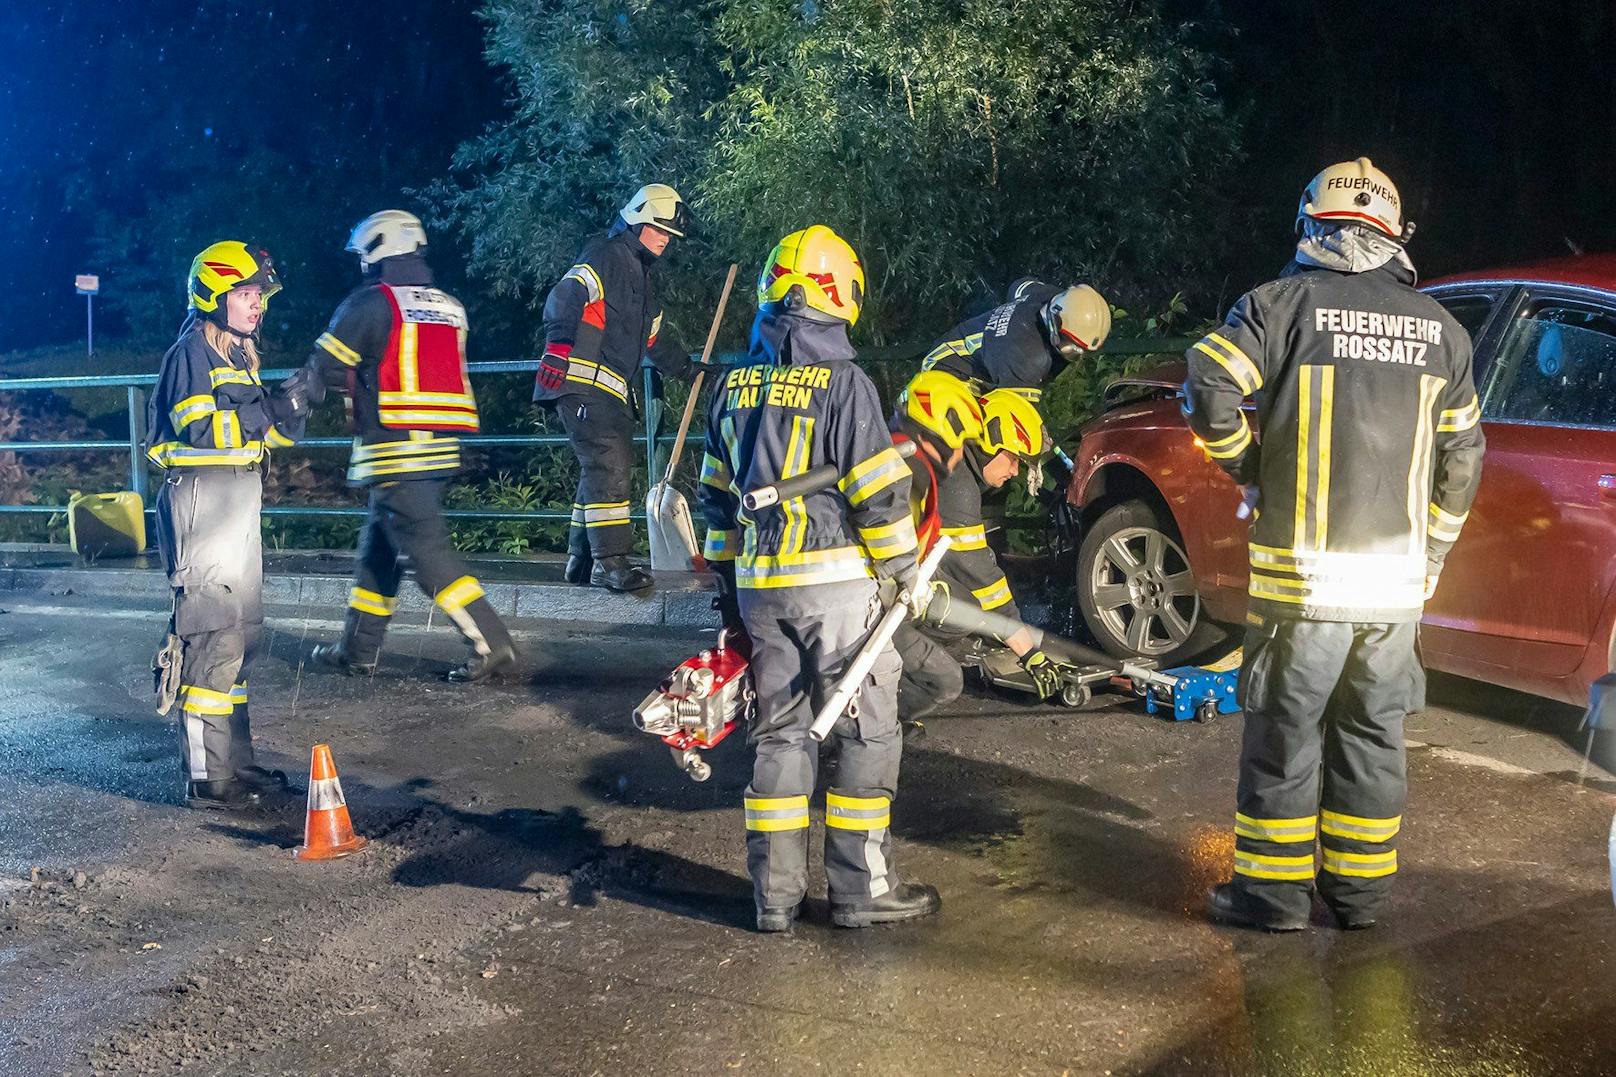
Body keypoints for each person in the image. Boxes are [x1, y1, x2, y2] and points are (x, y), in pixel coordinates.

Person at [1185, 157, 1485, 932]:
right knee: (1372, 737)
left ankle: (1273, 897)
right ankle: (1358, 897)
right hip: (1393, 592)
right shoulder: (1444, 332)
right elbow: (1464, 458)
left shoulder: (1281, 305)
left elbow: (1208, 386)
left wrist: (1250, 468)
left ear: (1312, 225)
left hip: (1305, 586)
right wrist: (1435, 555)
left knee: (1286, 735)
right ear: (1393, 234)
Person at [698, 225, 940, 932]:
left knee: (780, 736)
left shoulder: (731, 385)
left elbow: (716, 498)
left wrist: (728, 590)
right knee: (868, 731)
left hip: (760, 590)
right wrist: (903, 575)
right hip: (837, 589)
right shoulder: (845, 383)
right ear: (837, 291)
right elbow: (878, 491)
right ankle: (861, 891)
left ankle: (773, 898)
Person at [302, 210, 517, 684]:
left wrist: (323, 397)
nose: (361, 260)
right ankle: (357, 650)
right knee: (378, 552)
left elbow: (324, 366)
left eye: (364, 252)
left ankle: (491, 642)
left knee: (427, 553)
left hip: (394, 448)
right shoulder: (448, 305)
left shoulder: (371, 304)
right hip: (439, 448)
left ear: (380, 248)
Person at [147, 241, 308, 809]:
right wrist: (268, 412)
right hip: (201, 505)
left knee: (244, 636)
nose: (256, 304)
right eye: (245, 293)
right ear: (213, 295)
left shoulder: (239, 354)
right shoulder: (191, 351)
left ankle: (236, 766)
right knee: (215, 635)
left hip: (237, 503)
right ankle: (208, 780)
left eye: (259, 294)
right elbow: (199, 432)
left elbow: (261, 435)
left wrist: (293, 408)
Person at [537, 183, 695, 593]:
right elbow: (564, 296)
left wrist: (688, 371)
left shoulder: (640, 276)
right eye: (658, 229)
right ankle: (613, 564)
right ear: (635, 220)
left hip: (604, 389)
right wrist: (556, 346)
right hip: (580, 383)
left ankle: (581, 558)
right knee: (609, 464)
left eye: (670, 235)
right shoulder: (606, 255)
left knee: (598, 469)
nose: (665, 239)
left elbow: (653, 340)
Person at [931, 389, 1071, 699]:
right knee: (958, 614)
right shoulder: (957, 488)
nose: (1015, 471)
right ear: (990, 445)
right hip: (868, 597)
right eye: (1014, 459)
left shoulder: (950, 465)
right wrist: (1028, 653)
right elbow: (981, 576)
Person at [886, 371, 986, 729]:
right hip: (874, 608)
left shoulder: (893, 456)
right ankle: (870, 725)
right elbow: (886, 553)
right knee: (945, 681)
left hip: (879, 597)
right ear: (932, 439)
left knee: (962, 611)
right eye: (958, 444)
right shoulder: (909, 473)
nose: (960, 455)